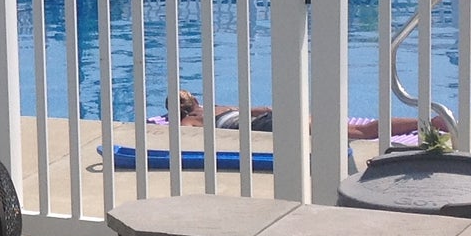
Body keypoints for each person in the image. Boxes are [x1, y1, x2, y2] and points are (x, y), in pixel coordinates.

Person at [176, 90, 441, 142]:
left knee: (359, 133)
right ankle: (427, 121)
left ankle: (429, 123)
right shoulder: (219, 107)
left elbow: (188, 138)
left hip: (267, 127)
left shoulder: (187, 122)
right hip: (272, 117)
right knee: (353, 128)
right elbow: (261, 109)